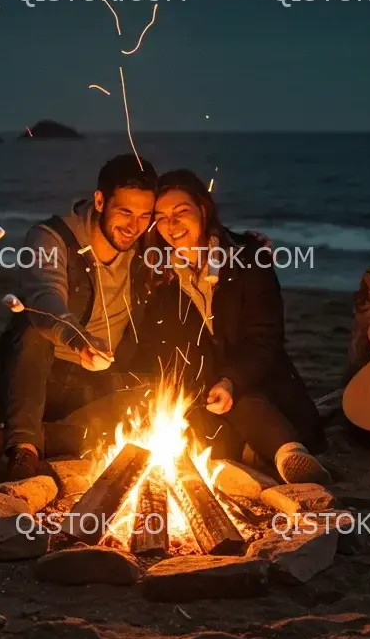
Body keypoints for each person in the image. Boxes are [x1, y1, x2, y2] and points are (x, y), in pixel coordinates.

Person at [137, 168, 330, 485]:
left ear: (203, 208)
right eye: (160, 217)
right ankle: (263, 451)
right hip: (201, 397)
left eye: (180, 212)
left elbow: (265, 338)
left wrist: (231, 380)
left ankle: (289, 455)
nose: (171, 226)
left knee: (240, 398)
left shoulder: (249, 258)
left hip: (262, 387)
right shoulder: (160, 275)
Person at [0, 154, 158, 480]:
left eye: (145, 215)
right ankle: (24, 452)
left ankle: (18, 437)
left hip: (91, 386)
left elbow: (190, 229)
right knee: (32, 326)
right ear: (100, 200)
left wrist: (242, 243)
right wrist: (79, 339)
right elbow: (46, 301)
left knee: (155, 405)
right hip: (32, 378)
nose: (134, 226)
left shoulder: (145, 243)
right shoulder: (50, 238)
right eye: (125, 212)